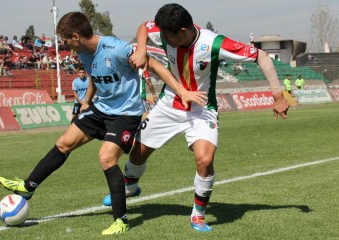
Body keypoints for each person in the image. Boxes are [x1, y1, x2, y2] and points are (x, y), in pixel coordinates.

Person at [0, 11, 205, 235]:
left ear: (76, 36)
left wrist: (182, 91)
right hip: (100, 109)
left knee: (106, 157)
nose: (66, 46)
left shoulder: (116, 48)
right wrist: (85, 103)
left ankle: (121, 220)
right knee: (63, 143)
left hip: (126, 114)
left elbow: (154, 65)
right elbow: (95, 78)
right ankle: (28, 188)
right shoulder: (84, 54)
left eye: (66, 41)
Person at [101, 3, 290, 233]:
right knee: (137, 154)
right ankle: (131, 185)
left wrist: (278, 95)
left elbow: (261, 56)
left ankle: (198, 215)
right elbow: (143, 26)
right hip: (169, 105)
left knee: (205, 159)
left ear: (183, 32)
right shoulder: (165, 32)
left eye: (167, 37)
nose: (163, 40)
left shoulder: (214, 43)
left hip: (201, 110)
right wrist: (142, 49)